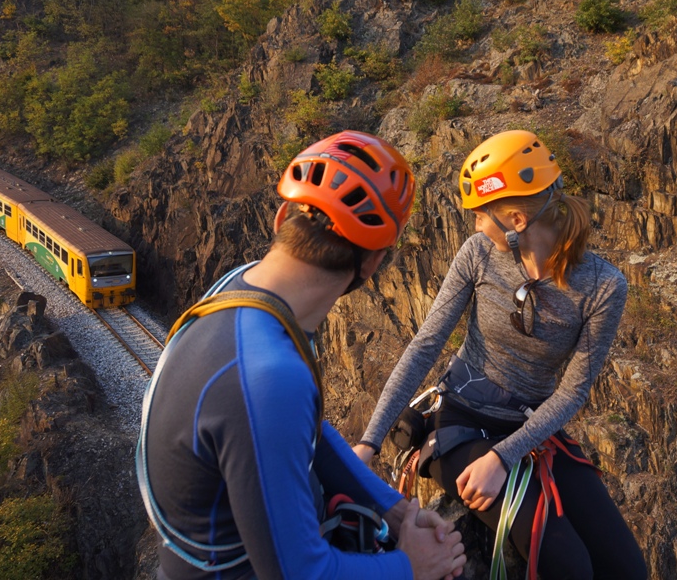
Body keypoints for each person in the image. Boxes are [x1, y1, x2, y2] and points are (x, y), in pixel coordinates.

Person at [136, 131, 466, 580]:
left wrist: (393, 508)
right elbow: (299, 575)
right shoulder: (269, 377)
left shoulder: (244, 292)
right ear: (372, 263)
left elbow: (306, 427)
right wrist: (410, 566)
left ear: (281, 218)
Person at [354, 129, 648, 580]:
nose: (474, 226)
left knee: (627, 568)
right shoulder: (478, 255)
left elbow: (572, 393)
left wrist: (503, 457)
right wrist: (369, 443)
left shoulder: (604, 287)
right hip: (461, 425)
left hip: (529, 431)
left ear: (515, 219)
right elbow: (426, 344)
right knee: (569, 565)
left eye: (481, 215)